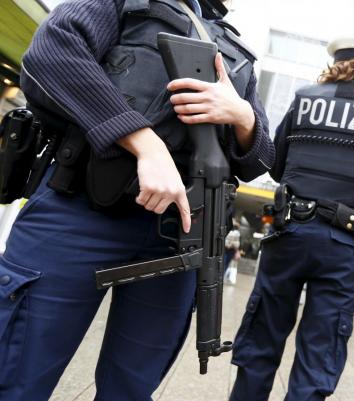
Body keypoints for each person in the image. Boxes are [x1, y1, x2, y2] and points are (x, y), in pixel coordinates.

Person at [0, 0, 273, 400]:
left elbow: (263, 158)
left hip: (179, 236)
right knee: (17, 376)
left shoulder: (235, 50)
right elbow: (51, 53)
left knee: (132, 388)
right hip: (81, 209)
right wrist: (143, 142)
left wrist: (243, 116)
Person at [229, 35, 354, 401]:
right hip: (345, 247)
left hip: (289, 232)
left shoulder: (303, 100)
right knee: (319, 353)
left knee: (262, 339)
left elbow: (277, 163)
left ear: (335, 64)